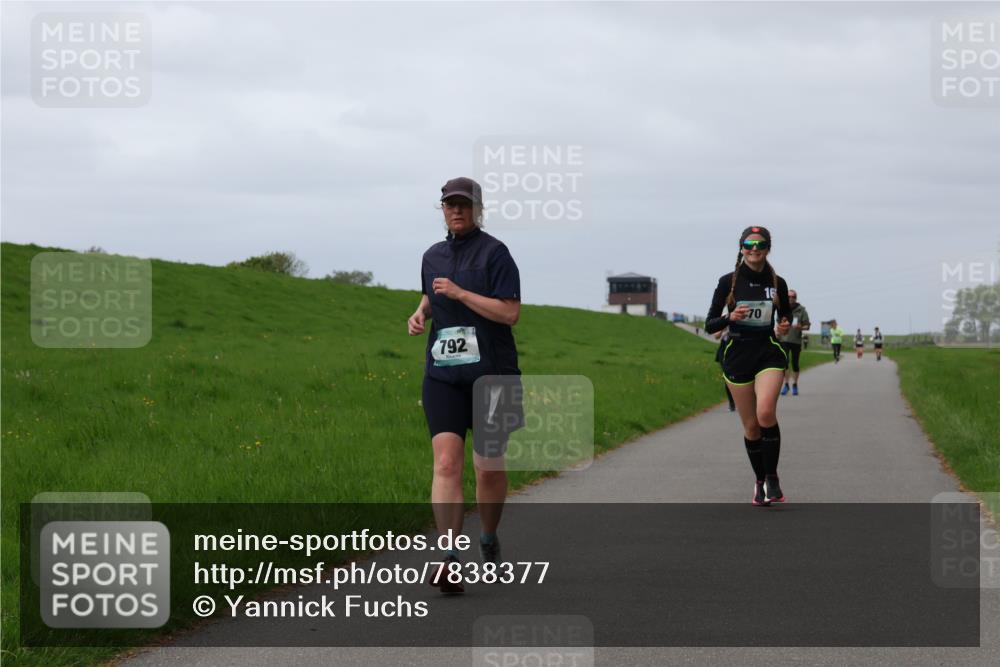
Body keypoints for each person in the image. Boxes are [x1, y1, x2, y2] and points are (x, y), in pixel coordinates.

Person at [408, 177, 523, 594]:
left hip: (493, 374)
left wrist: (461, 293)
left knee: (488, 468)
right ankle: (449, 558)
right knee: (445, 464)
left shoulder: (496, 253)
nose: (456, 211)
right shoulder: (431, 256)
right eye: (449, 205)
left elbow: (510, 313)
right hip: (443, 373)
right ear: (441, 209)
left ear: (478, 209)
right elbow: (430, 294)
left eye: (464, 204)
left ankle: (489, 536)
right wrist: (420, 314)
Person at [705, 226, 792, 506]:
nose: (754, 249)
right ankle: (759, 482)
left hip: (768, 351)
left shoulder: (777, 281)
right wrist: (730, 316)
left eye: (760, 244)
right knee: (752, 427)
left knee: (765, 412)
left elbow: (786, 316)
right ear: (741, 248)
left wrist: (784, 324)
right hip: (738, 353)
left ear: (768, 248)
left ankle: (772, 477)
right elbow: (710, 325)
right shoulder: (728, 281)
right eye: (749, 244)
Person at [779, 289, 810, 396]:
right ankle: (786, 384)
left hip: (796, 340)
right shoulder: (782, 309)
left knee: (795, 364)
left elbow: (807, 326)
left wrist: (801, 327)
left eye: (793, 297)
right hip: (784, 340)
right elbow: (778, 323)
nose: (791, 298)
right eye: (789, 297)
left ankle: (795, 384)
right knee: (785, 363)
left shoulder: (801, 310)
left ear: (796, 298)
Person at [714, 329, 737, 412]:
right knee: (727, 377)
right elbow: (716, 336)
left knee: (739, 376)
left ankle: (743, 399)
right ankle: (731, 403)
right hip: (724, 348)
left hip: (737, 348)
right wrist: (723, 329)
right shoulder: (724, 318)